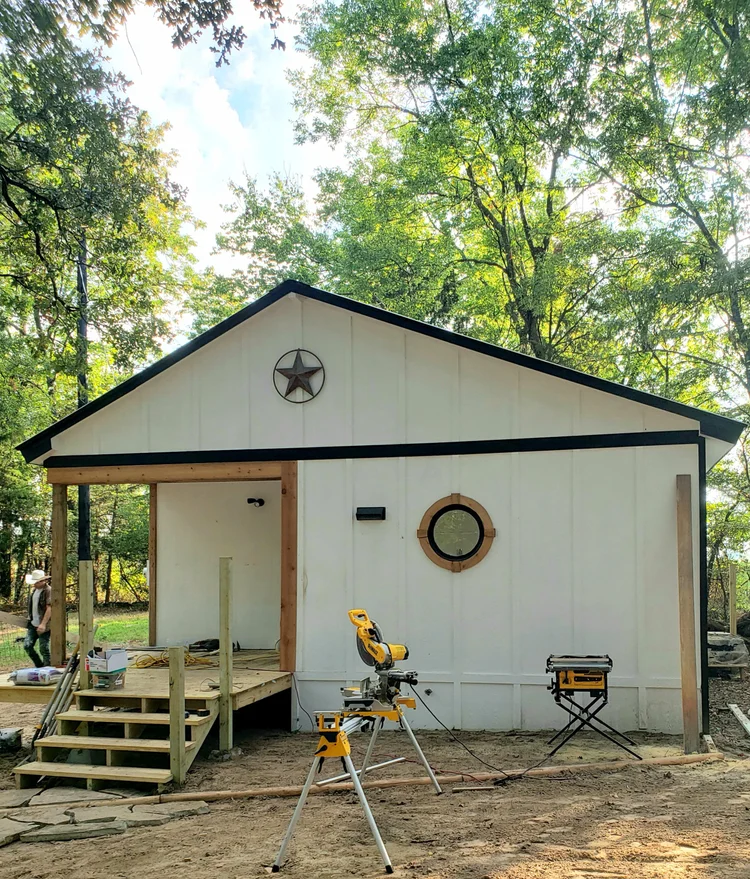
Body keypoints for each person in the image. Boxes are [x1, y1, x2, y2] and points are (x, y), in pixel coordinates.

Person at [24, 569, 52, 668]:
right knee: (27, 645)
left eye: (35, 582)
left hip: (44, 624)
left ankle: (47, 668)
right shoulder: (34, 591)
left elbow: (50, 608)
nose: (34, 584)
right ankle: (39, 666)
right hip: (33, 623)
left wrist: (43, 624)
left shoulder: (48, 591)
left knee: (43, 648)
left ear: (42, 581)